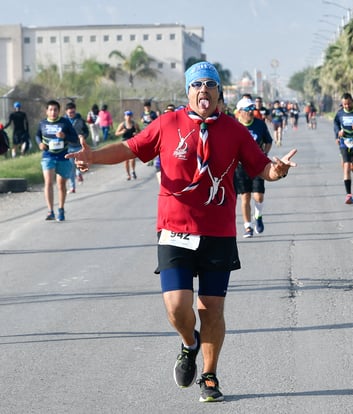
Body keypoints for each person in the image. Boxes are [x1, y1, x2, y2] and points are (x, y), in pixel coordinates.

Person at [66, 61, 297, 403]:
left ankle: (209, 375)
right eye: (197, 84)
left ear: (219, 93)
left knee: (212, 309)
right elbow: (130, 148)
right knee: (177, 307)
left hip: (217, 231)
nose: (204, 90)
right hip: (174, 230)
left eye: (210, 84)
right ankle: (189, 343)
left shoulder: (234, 130)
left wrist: (276, 171)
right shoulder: (167, 123)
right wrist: (95, 156)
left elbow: (258, 166)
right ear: (188, 92)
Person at [234, 97, 273, 238]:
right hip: (240, 167)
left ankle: (258, 216)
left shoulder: (260, 125)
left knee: (258, 196)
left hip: (257, 165)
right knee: (245, 197)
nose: (251, 112)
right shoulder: (233, 126)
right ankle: (248, 227)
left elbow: (268, 141)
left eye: (252, 109)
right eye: (248, 109)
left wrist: (265, 153)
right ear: (240, 112)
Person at [35, 100, 79, 221]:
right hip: (48, 156)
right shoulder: (42, 123)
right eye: (50, 110)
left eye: (55, 110)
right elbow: (37, 135)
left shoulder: (65, 123)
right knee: (48, 182)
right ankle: (50, 211)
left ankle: (61, 208)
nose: (53, 112)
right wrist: (40, 144)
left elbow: (75, 138)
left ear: (59, 111)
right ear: (46, 111)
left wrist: (65, 136)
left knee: (61, 184)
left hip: (63, 156)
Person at [64, 102, 89, 193]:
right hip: (67, 147)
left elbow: (86, 131)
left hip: (78, 146)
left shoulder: (80, 120)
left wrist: (83, 136)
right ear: (66, 112)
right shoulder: (63, 121)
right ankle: (72, 187)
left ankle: (78, 173)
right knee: (70, 168)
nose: (72, 114)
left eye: (73, 112)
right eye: (70, 112)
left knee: (79, 164)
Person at [115, 110, 140, 180]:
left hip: (132, 143)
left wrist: (136, 133)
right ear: (125, 117)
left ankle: (133, 171)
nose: (128, 117)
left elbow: (140, 132)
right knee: (126, 160)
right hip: (124, 144)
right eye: (127, 115)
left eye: (129, 115)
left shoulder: (135, 124)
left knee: (132, 159)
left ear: (131, 116)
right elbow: (116, 133)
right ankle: (128, 175)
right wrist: (122, 132)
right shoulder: (122, 125)